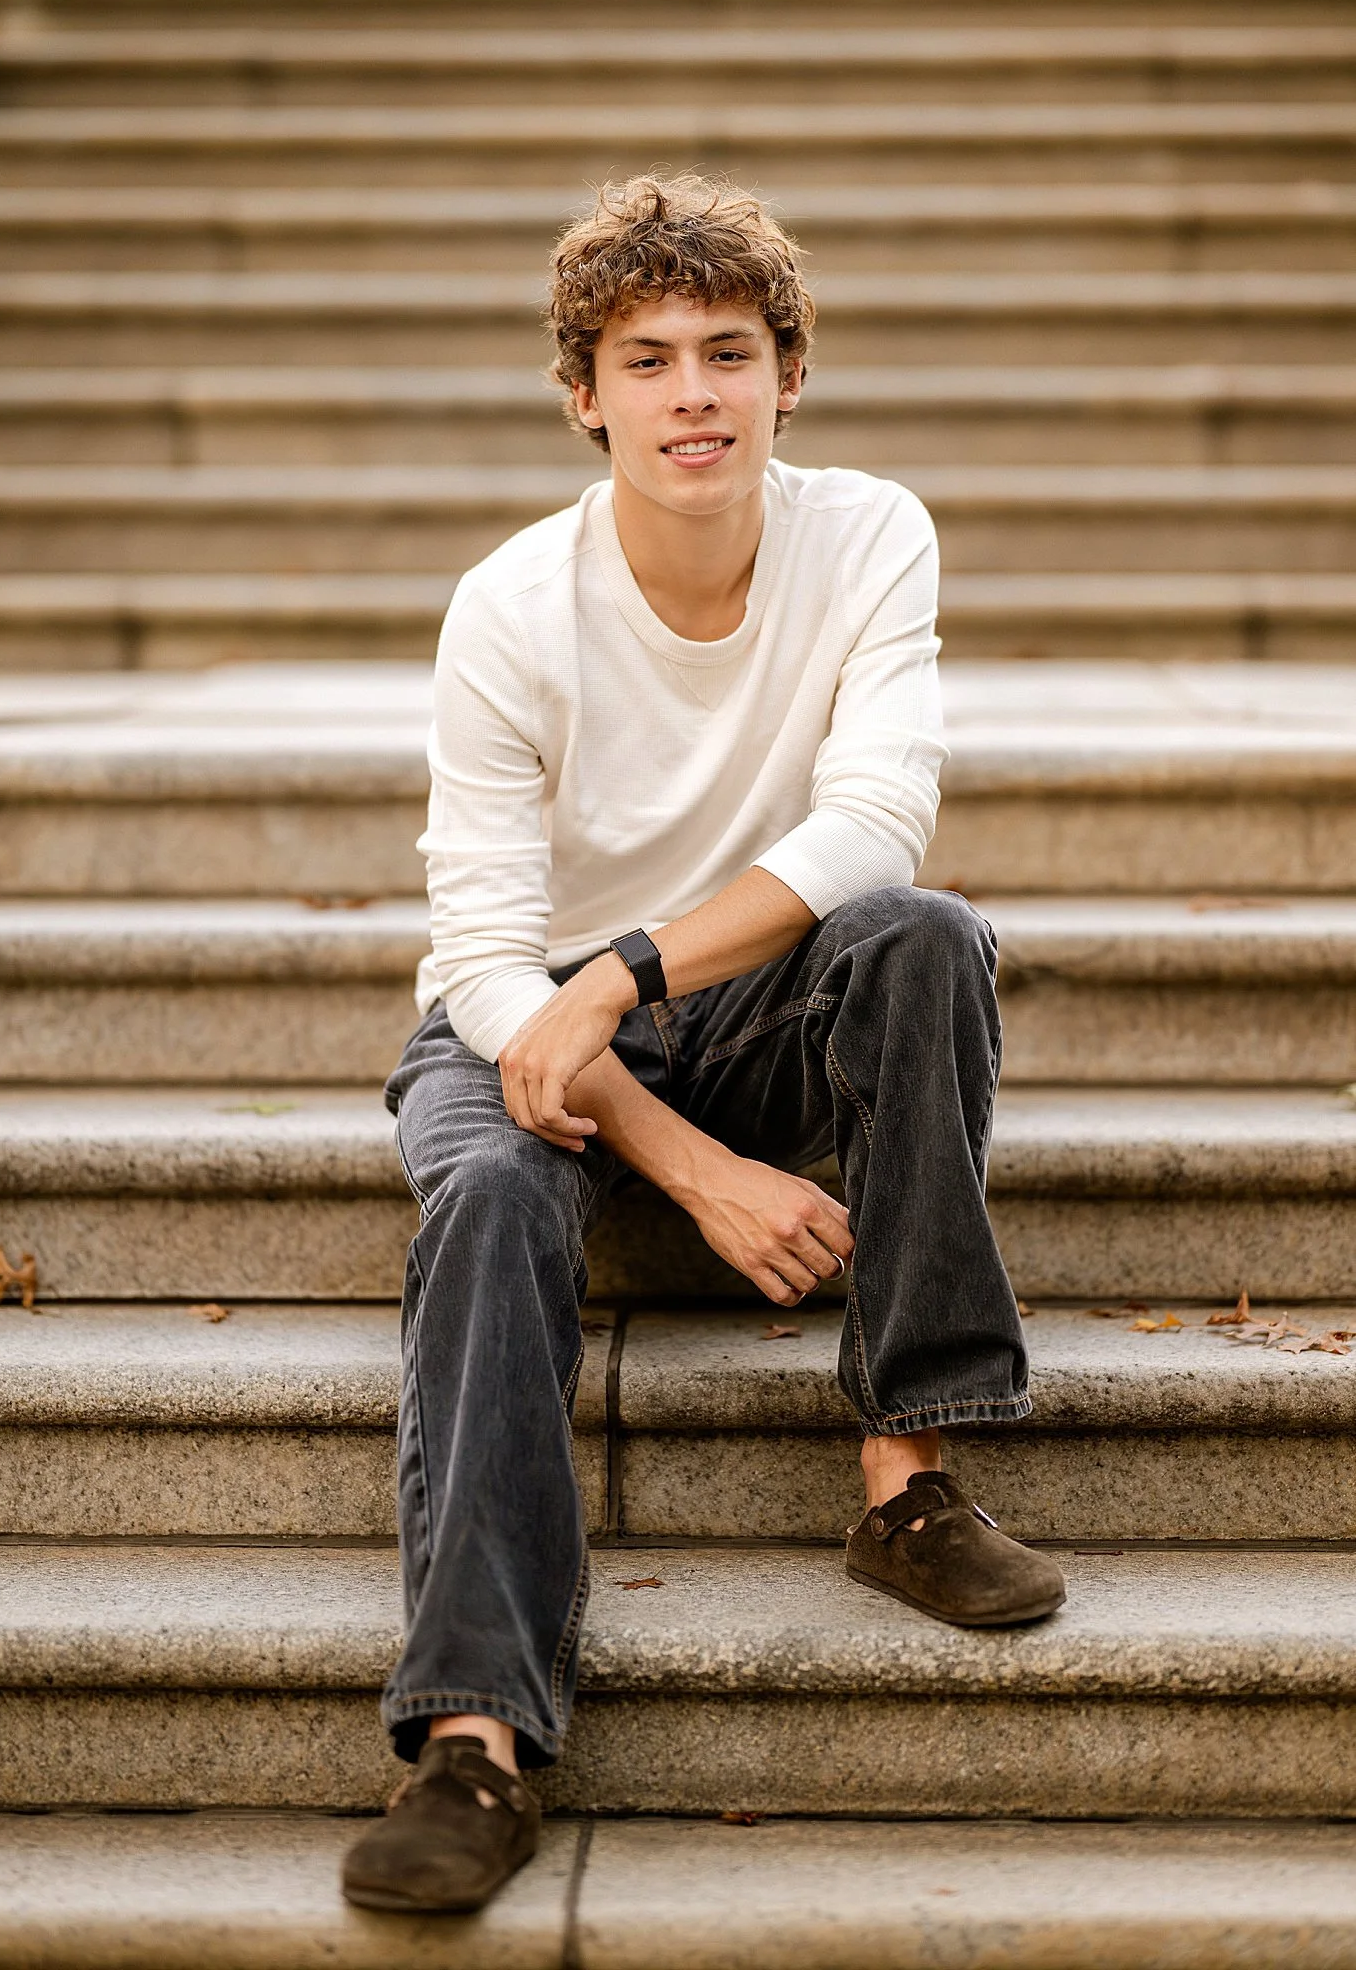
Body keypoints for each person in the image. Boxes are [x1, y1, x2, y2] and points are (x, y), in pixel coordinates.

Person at [341, 172, 1065, 1916]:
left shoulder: (871, 533)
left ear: (788, 373)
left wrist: (633, 973)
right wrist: (695, 1166)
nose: (693, 396)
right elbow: (489, 973)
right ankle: (475, 1740)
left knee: (924, 938)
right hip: (519, 1037)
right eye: (646, 359)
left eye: (727, 353)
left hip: (719, 1004)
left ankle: (909, 1478)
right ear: (584, 393)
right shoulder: (510, 608)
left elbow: (878, 820)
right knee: (500, 1195)